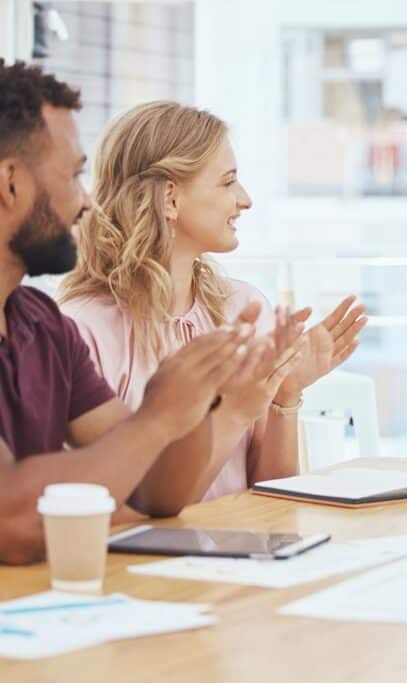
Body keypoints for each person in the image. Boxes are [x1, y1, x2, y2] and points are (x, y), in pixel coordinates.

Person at [0, 60, 263, 565]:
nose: (86, 202)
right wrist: (158, 416)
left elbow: (158, 493)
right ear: (11, 183)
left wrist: (197, 396)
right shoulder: (77, 319)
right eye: (74, 176)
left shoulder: (42, 324)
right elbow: (12, 518)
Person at [59, 101, 368, 501]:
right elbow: (133, 505)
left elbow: (272, 498)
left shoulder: (244, 308)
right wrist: (235, 410)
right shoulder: (82, 330)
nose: (245, 199)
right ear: (170, 199)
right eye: (227, 182)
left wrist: (285, 394)